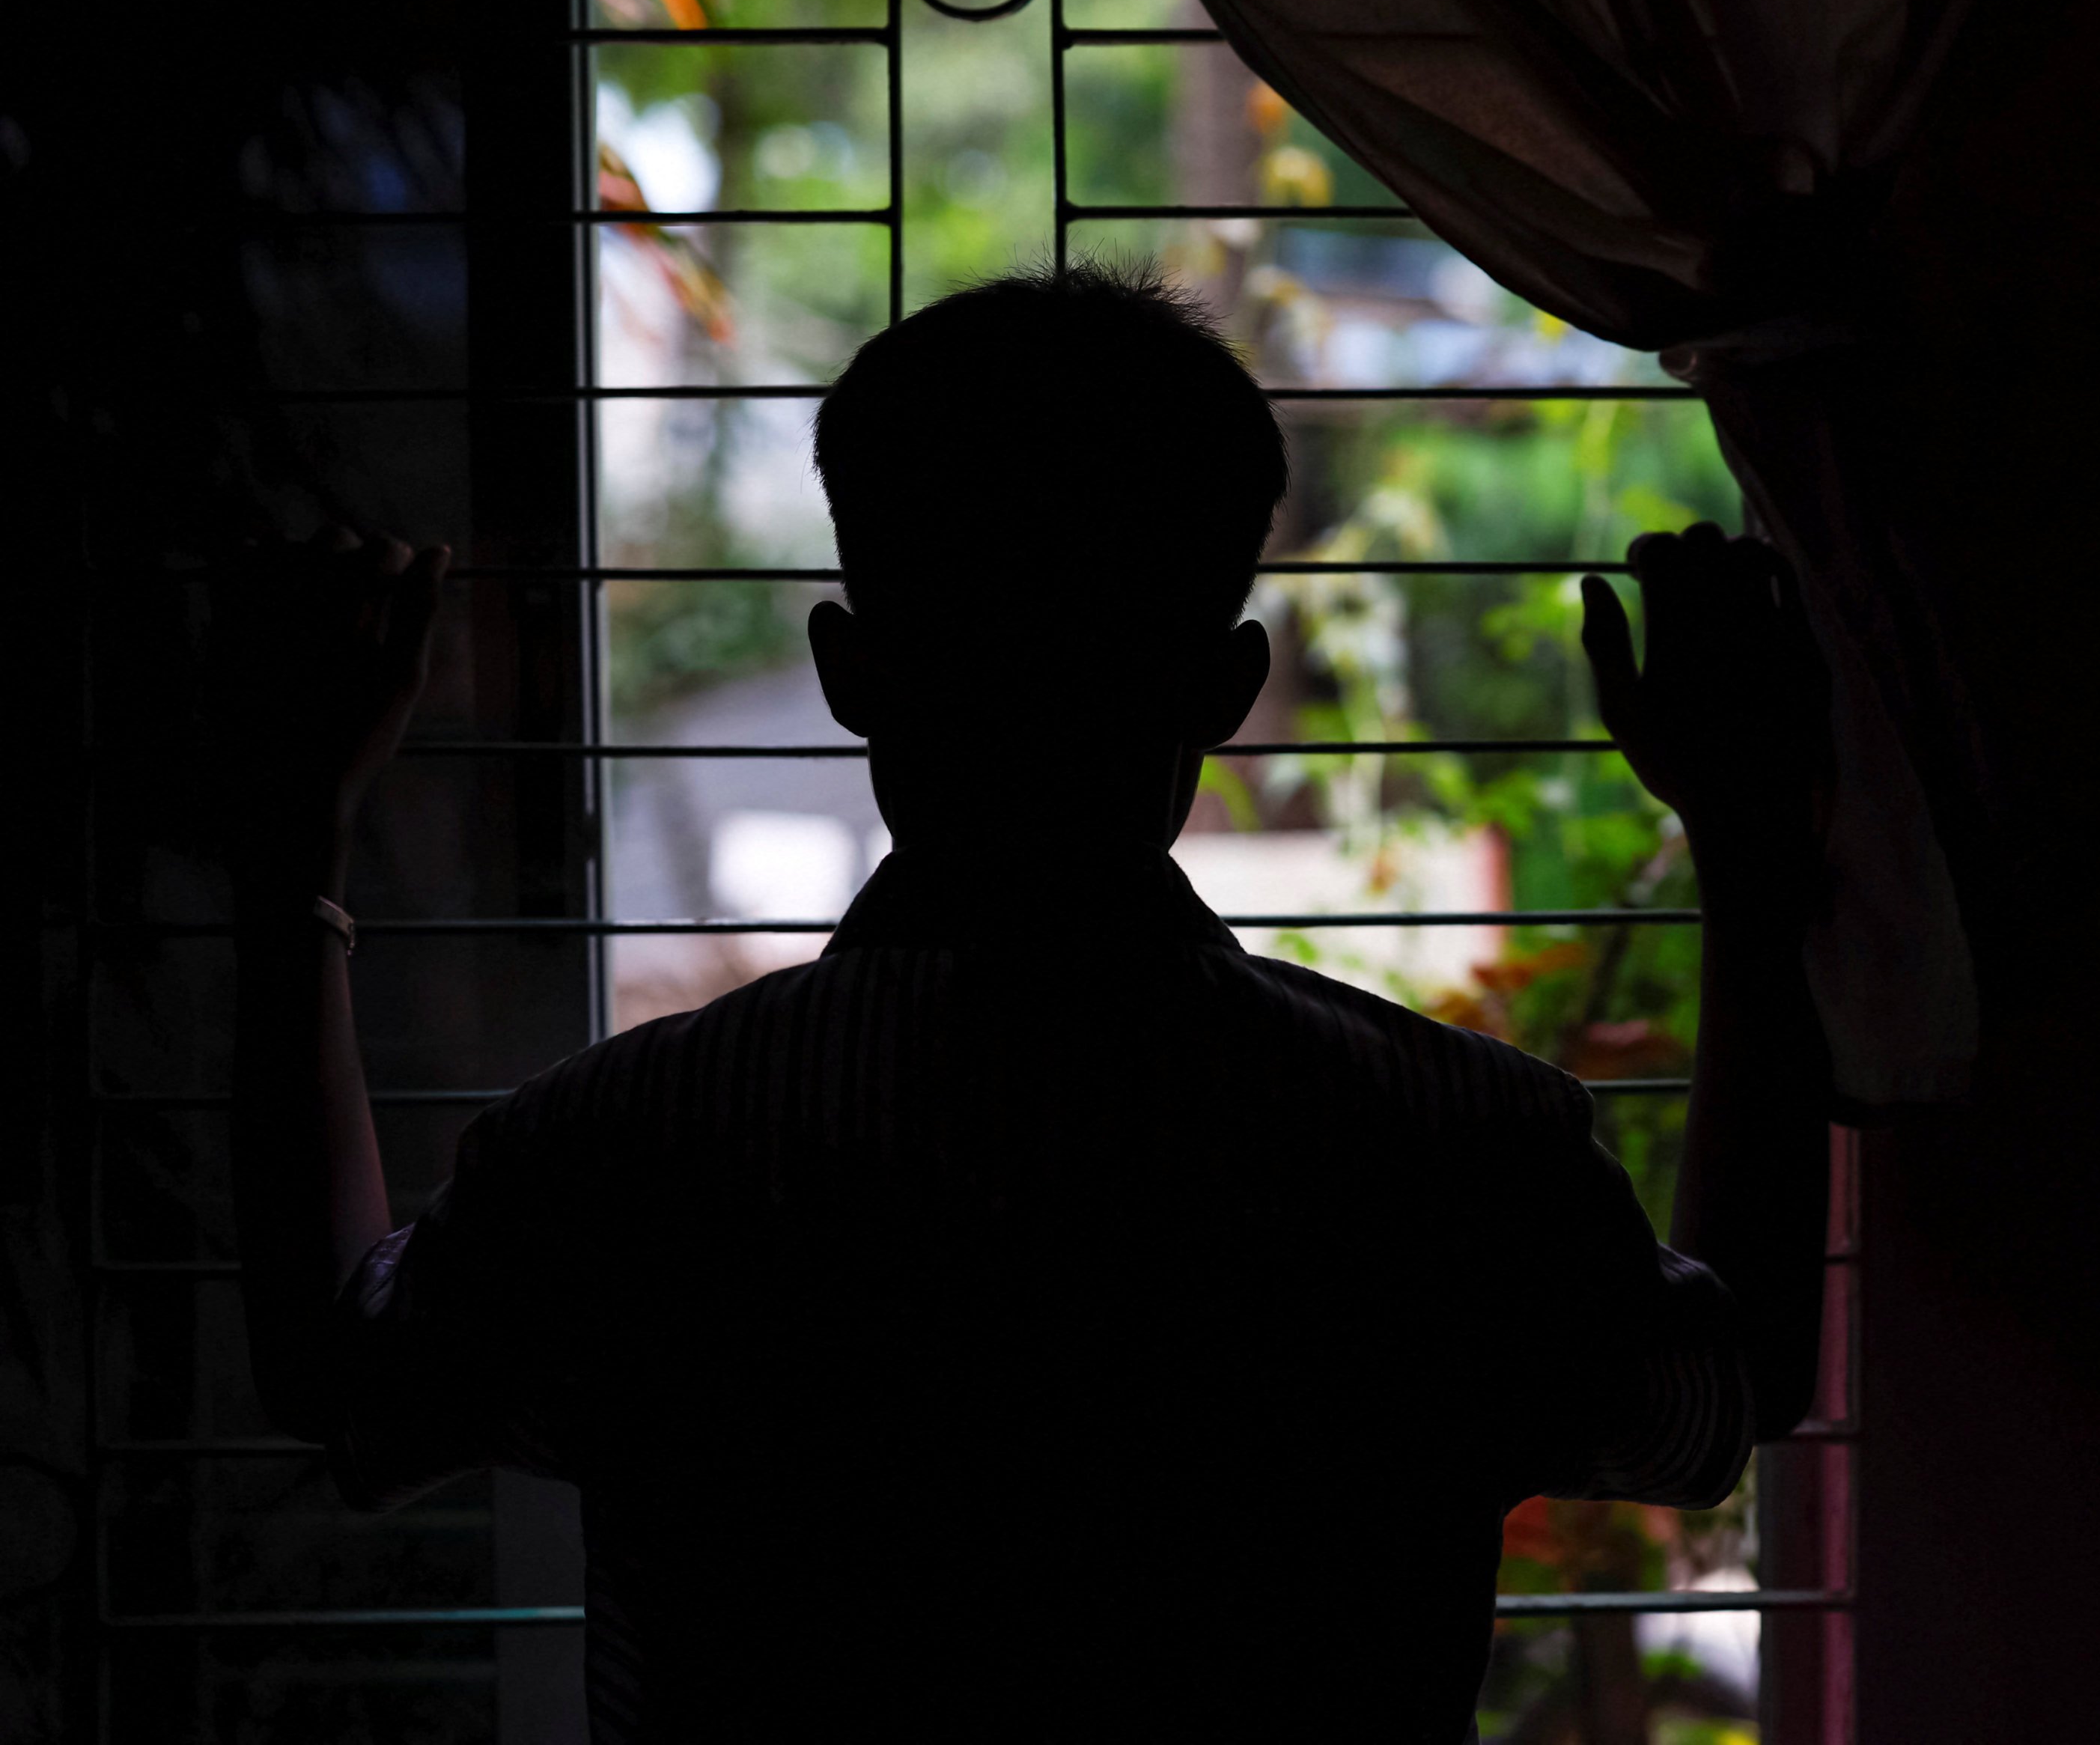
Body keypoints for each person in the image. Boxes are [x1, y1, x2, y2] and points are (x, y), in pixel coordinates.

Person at [219, 263, 1837, 1742]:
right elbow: (1738, 1374)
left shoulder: (633, 1154)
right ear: (1227, 690)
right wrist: (1754, 854)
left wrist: (292, 838)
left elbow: (336, 1367)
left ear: (849, 673)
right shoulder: (1454, 1153)